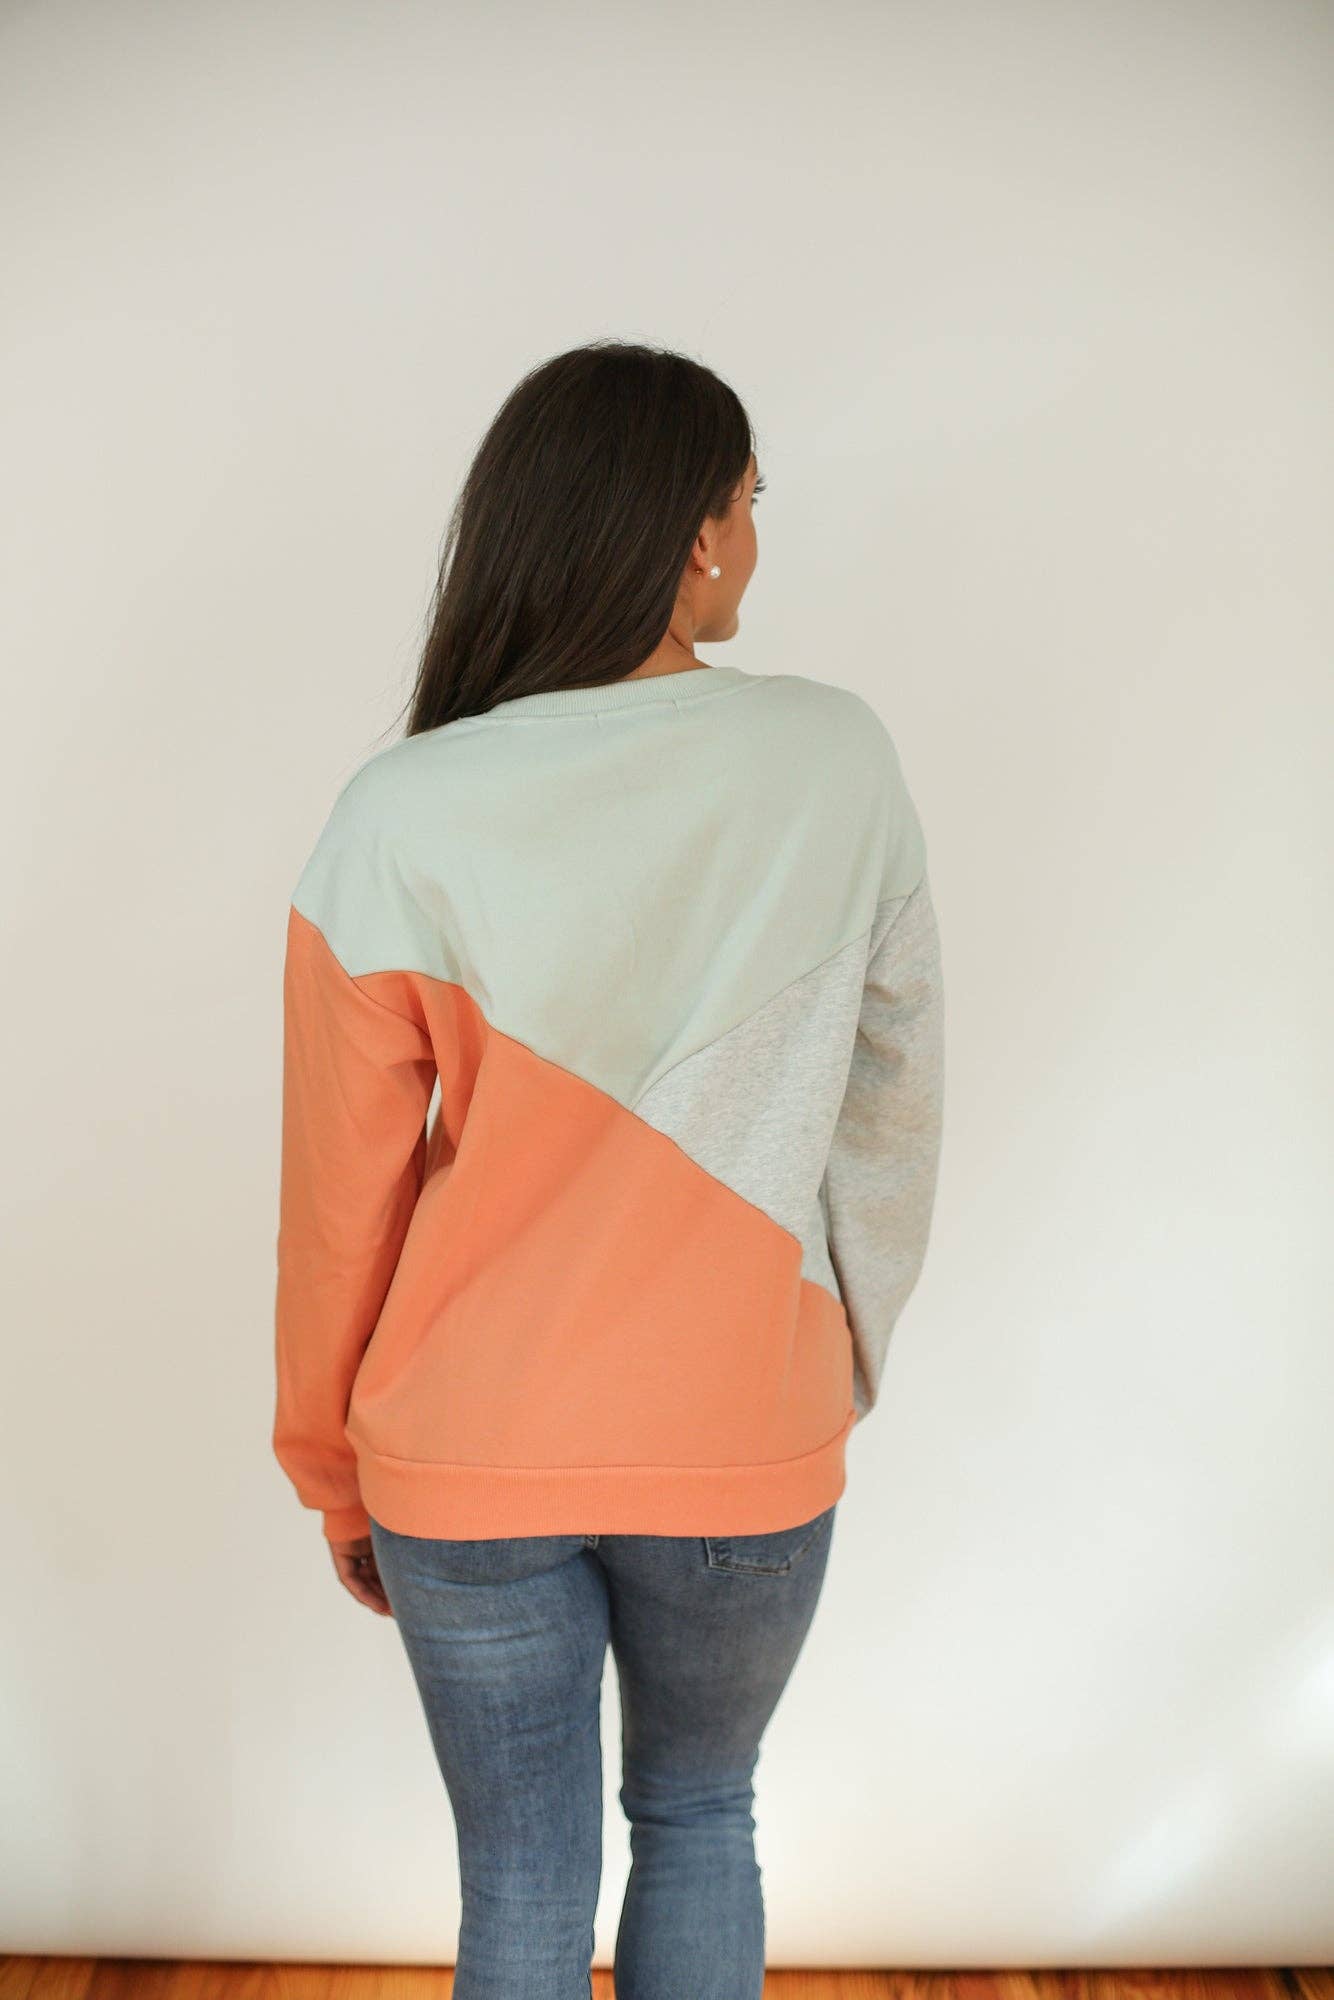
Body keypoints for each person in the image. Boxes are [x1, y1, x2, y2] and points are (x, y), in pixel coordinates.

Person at [272, 338, 945, 1998]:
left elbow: (336, 1199)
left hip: (466, 1452)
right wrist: (833, 1356)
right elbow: (892, 1099)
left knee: (518, 1890)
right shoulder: (833, 760)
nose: (753, 540)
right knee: (703, 1816)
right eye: (749, 501)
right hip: (742, 1430)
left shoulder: (398, 809)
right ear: (697, 532)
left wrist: (333, 1468)